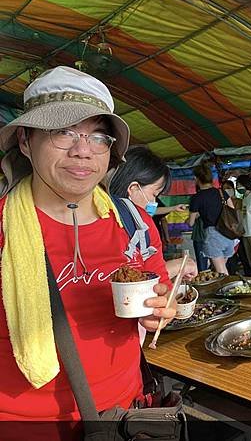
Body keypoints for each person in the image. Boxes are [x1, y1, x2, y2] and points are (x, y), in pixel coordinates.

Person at [0, 66, 174, 434]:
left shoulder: (134, 222)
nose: (83, 151)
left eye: (98, 137)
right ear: (26, 142)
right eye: (63, 132)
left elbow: (158, 293)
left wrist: (160, 311)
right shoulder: (3, 226)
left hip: (124, 416)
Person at [109, 145, 197, 281]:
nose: (154, 201)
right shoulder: (112, 225)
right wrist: (178, 266)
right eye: (154, 194)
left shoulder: (138, 223)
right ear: (133, 188)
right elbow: (131, 282)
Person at [187, 162, 235, 275]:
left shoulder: (197, 197)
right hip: (228, 234)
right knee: (220, 268)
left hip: (213, 235)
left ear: (196, 178)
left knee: (221, 272)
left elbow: (191, 223)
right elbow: (232, 209)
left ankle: (230, 291)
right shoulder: (221, 192)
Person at [223, 179, 251, 276]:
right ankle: (231, 276)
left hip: (240, 233)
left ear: (233, 189)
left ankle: (250, 276)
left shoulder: (241, 201)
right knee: (231, 258)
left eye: (229, 188)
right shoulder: (222, 203)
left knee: (245, 257)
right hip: (228, 234)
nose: (227, 190)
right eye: (224, 189)